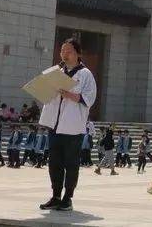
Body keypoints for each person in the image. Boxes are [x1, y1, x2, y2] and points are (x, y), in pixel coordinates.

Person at [38, 36, 97, 212]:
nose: (64, 54)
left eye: (68, 51)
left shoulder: (85, 74)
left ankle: (67, 197)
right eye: (62, 51)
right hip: (54, 125)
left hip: (72, 128)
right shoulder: (57, 72)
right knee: (54, 163)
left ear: (77, 53)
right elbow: (46, 94)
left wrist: (69, 94)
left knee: (71, 164)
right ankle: (55, 196)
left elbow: (90, 98)